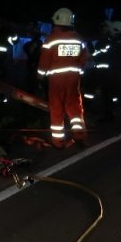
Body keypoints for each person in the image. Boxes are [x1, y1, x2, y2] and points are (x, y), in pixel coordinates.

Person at [37, 8, 89, 148]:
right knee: (75, 107)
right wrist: (78, 70)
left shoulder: (51, 39)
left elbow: (44, 61)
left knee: (57, 108)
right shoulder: (78, 39)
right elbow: (85, 58)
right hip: (73, 79)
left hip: (56, 80)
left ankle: (58, 141)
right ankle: (79, 134)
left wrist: (40, 76)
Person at [89, 21, 121, 122]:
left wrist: (90, 53)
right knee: (114, 93)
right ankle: (113, 110)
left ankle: (108, 114)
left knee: (106, 93)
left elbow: (99, 55)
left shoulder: (110, 42)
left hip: (108, 73)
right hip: (118, 73)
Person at [22, 29, 43, 96]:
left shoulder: (38, 44)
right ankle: (32, 90)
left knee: (33, 77)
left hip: (35, 63)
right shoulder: (29, 44)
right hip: (34, 63)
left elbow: (31, 52)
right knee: (32, 77)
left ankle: (33, 90)